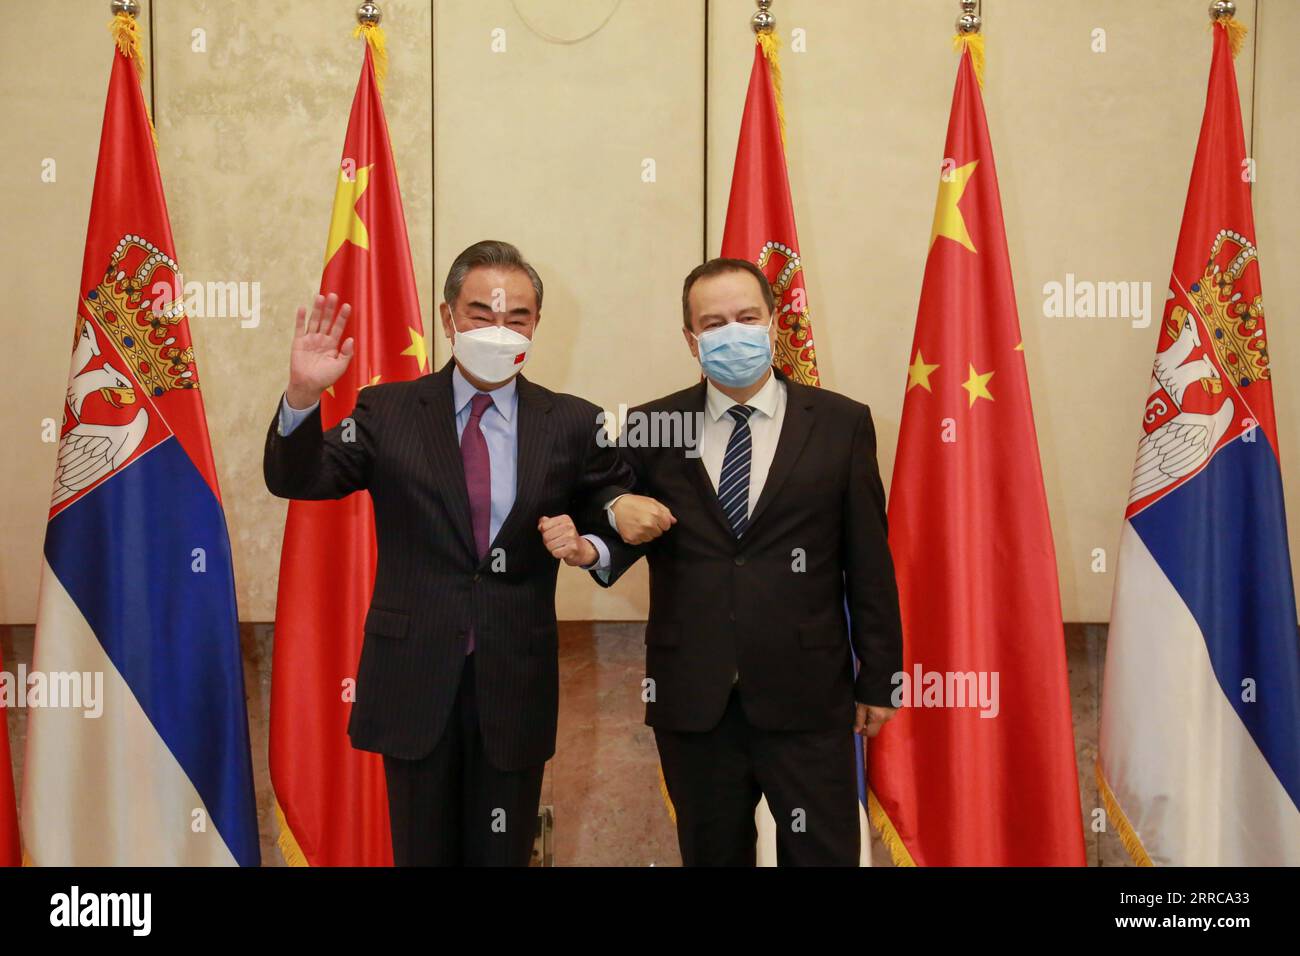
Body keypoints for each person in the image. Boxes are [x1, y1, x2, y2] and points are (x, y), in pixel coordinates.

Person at [263, 240, 629, 865]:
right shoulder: (390, 410)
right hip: (413, 678)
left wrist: (589, 545)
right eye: (482, 313)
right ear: (447, 317)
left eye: (517, 317)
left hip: (514, 680)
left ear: (536, 326)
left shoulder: (573, 421)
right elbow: (300, 479)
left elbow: (623, 512)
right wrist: (301, 398)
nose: (499, 329)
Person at [593, 257, 903, 866]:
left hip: (810, 696)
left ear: (773, 323)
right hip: (694, 698)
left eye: (746, 317)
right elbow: (604, 503)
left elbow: (869, 561)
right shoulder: (655, 424)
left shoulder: (841, 423)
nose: (731, 332)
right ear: (690, 339)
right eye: (713, 323)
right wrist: (613, 505)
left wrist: (882, 675)